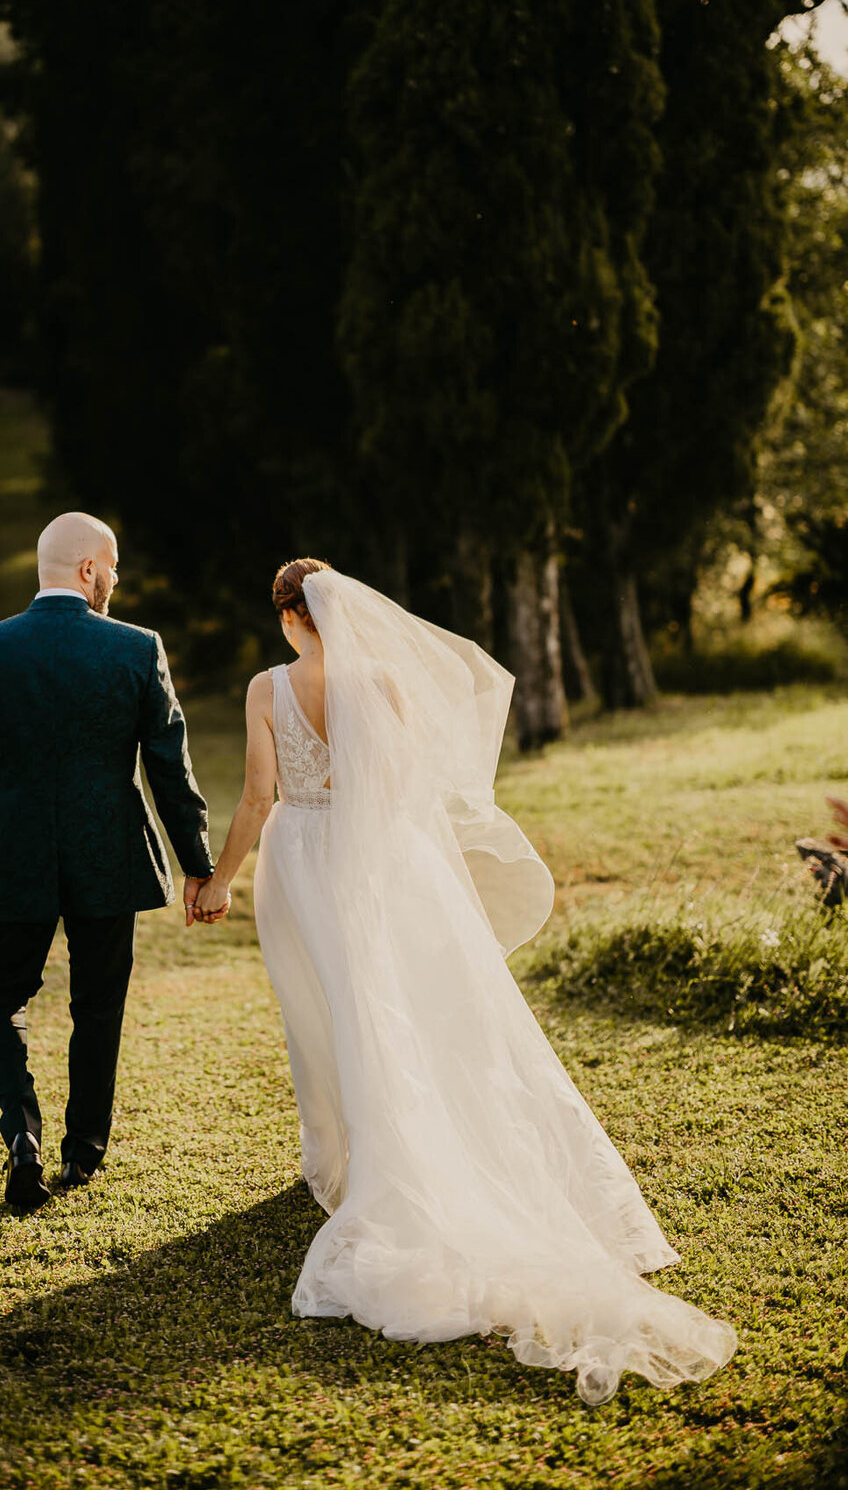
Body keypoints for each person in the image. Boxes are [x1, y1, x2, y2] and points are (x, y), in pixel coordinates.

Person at [193, 558, 736, 1405]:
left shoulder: (269, 689)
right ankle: (377, 1145)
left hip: (301, 864)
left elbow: (260, 798)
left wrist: (220, 879)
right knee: (398, 1009)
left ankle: (349, 1161)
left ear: (288, 616)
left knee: (330, 1010)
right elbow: (410, 787)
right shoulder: (384, 680)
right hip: (380, 860)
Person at [0, 511, 217, 1210]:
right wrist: (197, 862)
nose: (116, 578)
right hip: (109, 856)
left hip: (10, 856)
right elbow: (170, 769)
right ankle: (83, 1154)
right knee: (98, 1006)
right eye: (112, 565)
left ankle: (21, 1135)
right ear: (88, 569)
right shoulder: (136, 648)